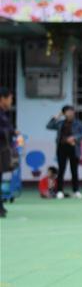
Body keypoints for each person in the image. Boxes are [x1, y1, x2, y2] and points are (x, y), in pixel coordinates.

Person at [46, 105, 82, 199]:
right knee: (61, 170)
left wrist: (74, 138)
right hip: (61, 148)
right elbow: (49, 126)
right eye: (68, 111)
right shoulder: (60, 123)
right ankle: (59, 191)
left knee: (74, 170)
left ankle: (76, 191)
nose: (71, 113)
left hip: (74, 148)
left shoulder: (79, 123)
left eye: (72, 111)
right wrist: (58, 116)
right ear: (64, 113)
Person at [0, 86, 15, 217]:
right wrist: (10, 131)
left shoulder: (4, 114)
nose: (11, 102)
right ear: (2, 99)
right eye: (10, 99)